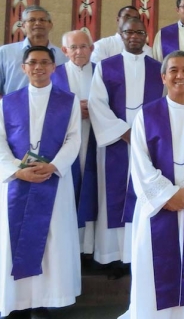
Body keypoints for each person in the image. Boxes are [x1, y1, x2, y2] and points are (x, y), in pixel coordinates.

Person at [120, 51, 184, 319]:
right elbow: (139, 162)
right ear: (163, 77)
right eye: (174, 70)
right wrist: (166, 195)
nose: (180, 75)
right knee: (153, 267)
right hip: (156, 207)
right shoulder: (147, 115)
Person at [0, 46, 81, 318]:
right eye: (32, 62)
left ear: (53, 67)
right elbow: (0, 143)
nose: (38, 67)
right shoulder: (7, 102)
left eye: (44, 62)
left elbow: (73, 139)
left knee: (51, 241)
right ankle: (17, 300)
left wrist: (54, 165)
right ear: (23, 67)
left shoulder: (67, 101)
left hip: (52, 180)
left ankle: (44, 299)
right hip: (16, 182)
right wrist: (16, 170)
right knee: (15, 240)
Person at [88, 17, 163, 275]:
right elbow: (97, 103)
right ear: (120, 34)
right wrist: (124, 132)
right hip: (116, 144)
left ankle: (140, 253)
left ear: (146, 35)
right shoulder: (105, 67)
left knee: (145, 194)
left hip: (148, 145)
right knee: (114, 195)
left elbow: (165, 106)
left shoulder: (158, 68)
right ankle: (114, 256)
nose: (134, 36)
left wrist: (144, 136)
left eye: (139, 32)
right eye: (128, 32)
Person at [52, 31, 98, 256]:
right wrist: (72, 112)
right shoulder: (54, 75)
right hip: (65, 142)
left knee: (93, 187)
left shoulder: (103, 72)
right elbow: (48, 109)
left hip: (96, 139)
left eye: (84, 46)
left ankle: (89, 247)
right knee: (69, 189)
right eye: (74, 47)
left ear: (92, 48)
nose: (79, 51)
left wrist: (95, 111)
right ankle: (70, 249)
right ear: (64, 51)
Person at [0, 5, 67, 96]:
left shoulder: (63, 56)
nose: (37, 23)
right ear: (23, 25)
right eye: (32, 20)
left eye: (42, 20)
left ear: (50, 25)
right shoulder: (6, 52)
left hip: (53, 108)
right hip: (14, 107)